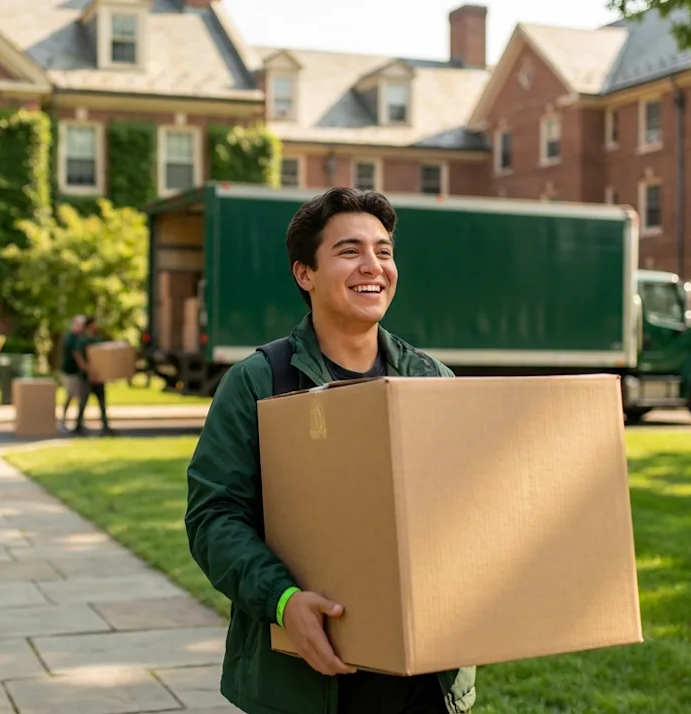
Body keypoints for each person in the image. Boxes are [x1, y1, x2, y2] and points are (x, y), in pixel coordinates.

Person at [183, 187, 476, 714]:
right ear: (305, 274)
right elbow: (214, 518)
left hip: (426, 683)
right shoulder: (258, 383)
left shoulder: (433, 380)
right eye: (349, 251)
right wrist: (283, 601)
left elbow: (471, 509)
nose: (373, 266)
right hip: (304, 682)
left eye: (383, 251)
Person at [72, 316, 113, 436]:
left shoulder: (99, 339)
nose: (97, 326)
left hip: (99, 377)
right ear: (90, 325)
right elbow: (77, 355)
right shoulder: (83, 340)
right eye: (95, 323)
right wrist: (87, 369)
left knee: (102, 403)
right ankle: (78, 425)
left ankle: (105, 427)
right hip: (86, 378)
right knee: (83, 402)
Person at [58, 314, 88, 431]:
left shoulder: (81, 337)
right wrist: (84, 366)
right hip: (69, 371)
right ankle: (63, 420)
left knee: (81, 397)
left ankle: (79, 421)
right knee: (71, 395)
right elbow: (76, 354)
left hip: (77, 372)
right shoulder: (70, 338)